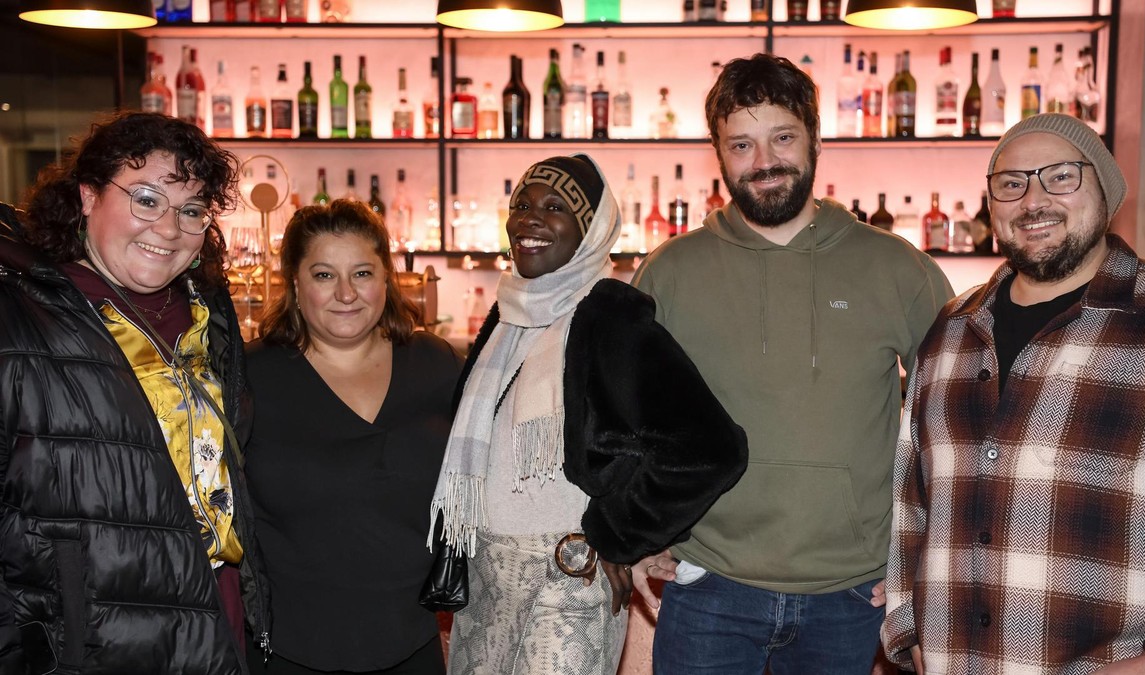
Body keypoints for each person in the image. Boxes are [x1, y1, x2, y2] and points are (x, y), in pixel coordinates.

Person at [630, 54, 954, 675]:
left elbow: (957, 418)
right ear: (718, 154)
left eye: (782, 137)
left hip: (853, 591)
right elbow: (629, 417)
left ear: (815, 139)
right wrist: (637, 536)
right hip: (707, 584)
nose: (765, 162)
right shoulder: (670, 270)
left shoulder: (895, 268)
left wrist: (924, 557)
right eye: (742, 145)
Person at [883, 113, 1145, 674]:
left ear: (1105, 190)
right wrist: (909, 629)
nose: (1032, 200)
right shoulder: (951, 329)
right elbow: (912, 501)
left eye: (1060, 176)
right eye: (1011, 183)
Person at [430, 154, 748, 675]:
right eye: (522, 205)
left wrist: (616, 534)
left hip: (566, 582)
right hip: (486, 579)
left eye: (554, 207)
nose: (530, 219)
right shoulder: (507, 313)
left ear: (591, 230)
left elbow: (710, 448)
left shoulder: (611, 315)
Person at [0, 111, 264, 673]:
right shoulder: (20, 318)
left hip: (220, 618)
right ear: (89, 195)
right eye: (146, 199)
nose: (169, 228)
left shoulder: (207, 314)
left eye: (191, 210)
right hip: (93, 643)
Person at [244, 199, 461, 674]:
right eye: (324, 275)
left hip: (413, 645)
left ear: (387, 278)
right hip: (289, 652)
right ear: (295, 285)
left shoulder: (435, 363)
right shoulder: (249, 377)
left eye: (362, 273)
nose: (346, 293)